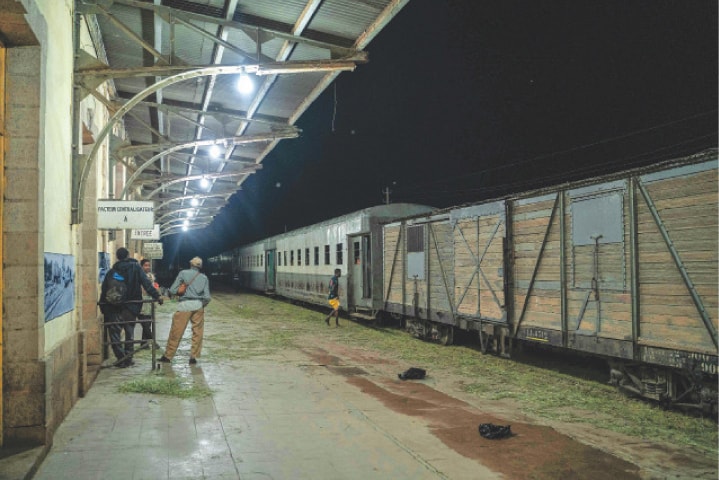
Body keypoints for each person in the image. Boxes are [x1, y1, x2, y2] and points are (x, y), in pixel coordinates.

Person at [99, 247, 163, 367]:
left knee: (115, 335)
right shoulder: (136, 268)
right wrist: (157, 296)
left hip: (114, 307)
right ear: (128, 255)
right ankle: (128, 357)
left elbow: (104, 289)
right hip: (131, 306)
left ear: (117, 257)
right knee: (129, 333)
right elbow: (146, 284)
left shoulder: (112, 271)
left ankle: (121, 358)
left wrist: (103, 308)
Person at [159, 257, 211, 365]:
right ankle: (194, 357)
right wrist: (201, 304)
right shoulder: (204, 277)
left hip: (184, 306)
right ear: (200, 267)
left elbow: (173, 290)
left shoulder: (183, 273)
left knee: (176, 331)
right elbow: (207, 297)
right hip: (198, 306)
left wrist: (179, 293)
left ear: (190, 264)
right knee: (198, 332)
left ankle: (168, 356)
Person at [138, 259, 160, 348]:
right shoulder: (139, 275)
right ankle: (152, 341)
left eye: (148, 265)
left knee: (148, 322)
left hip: (150, 301)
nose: (147, 267)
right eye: (145, 265)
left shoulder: (151, 276)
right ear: (141, 266)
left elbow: (152, 286)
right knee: (145, 323)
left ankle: (144, 344)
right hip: (142, 301)